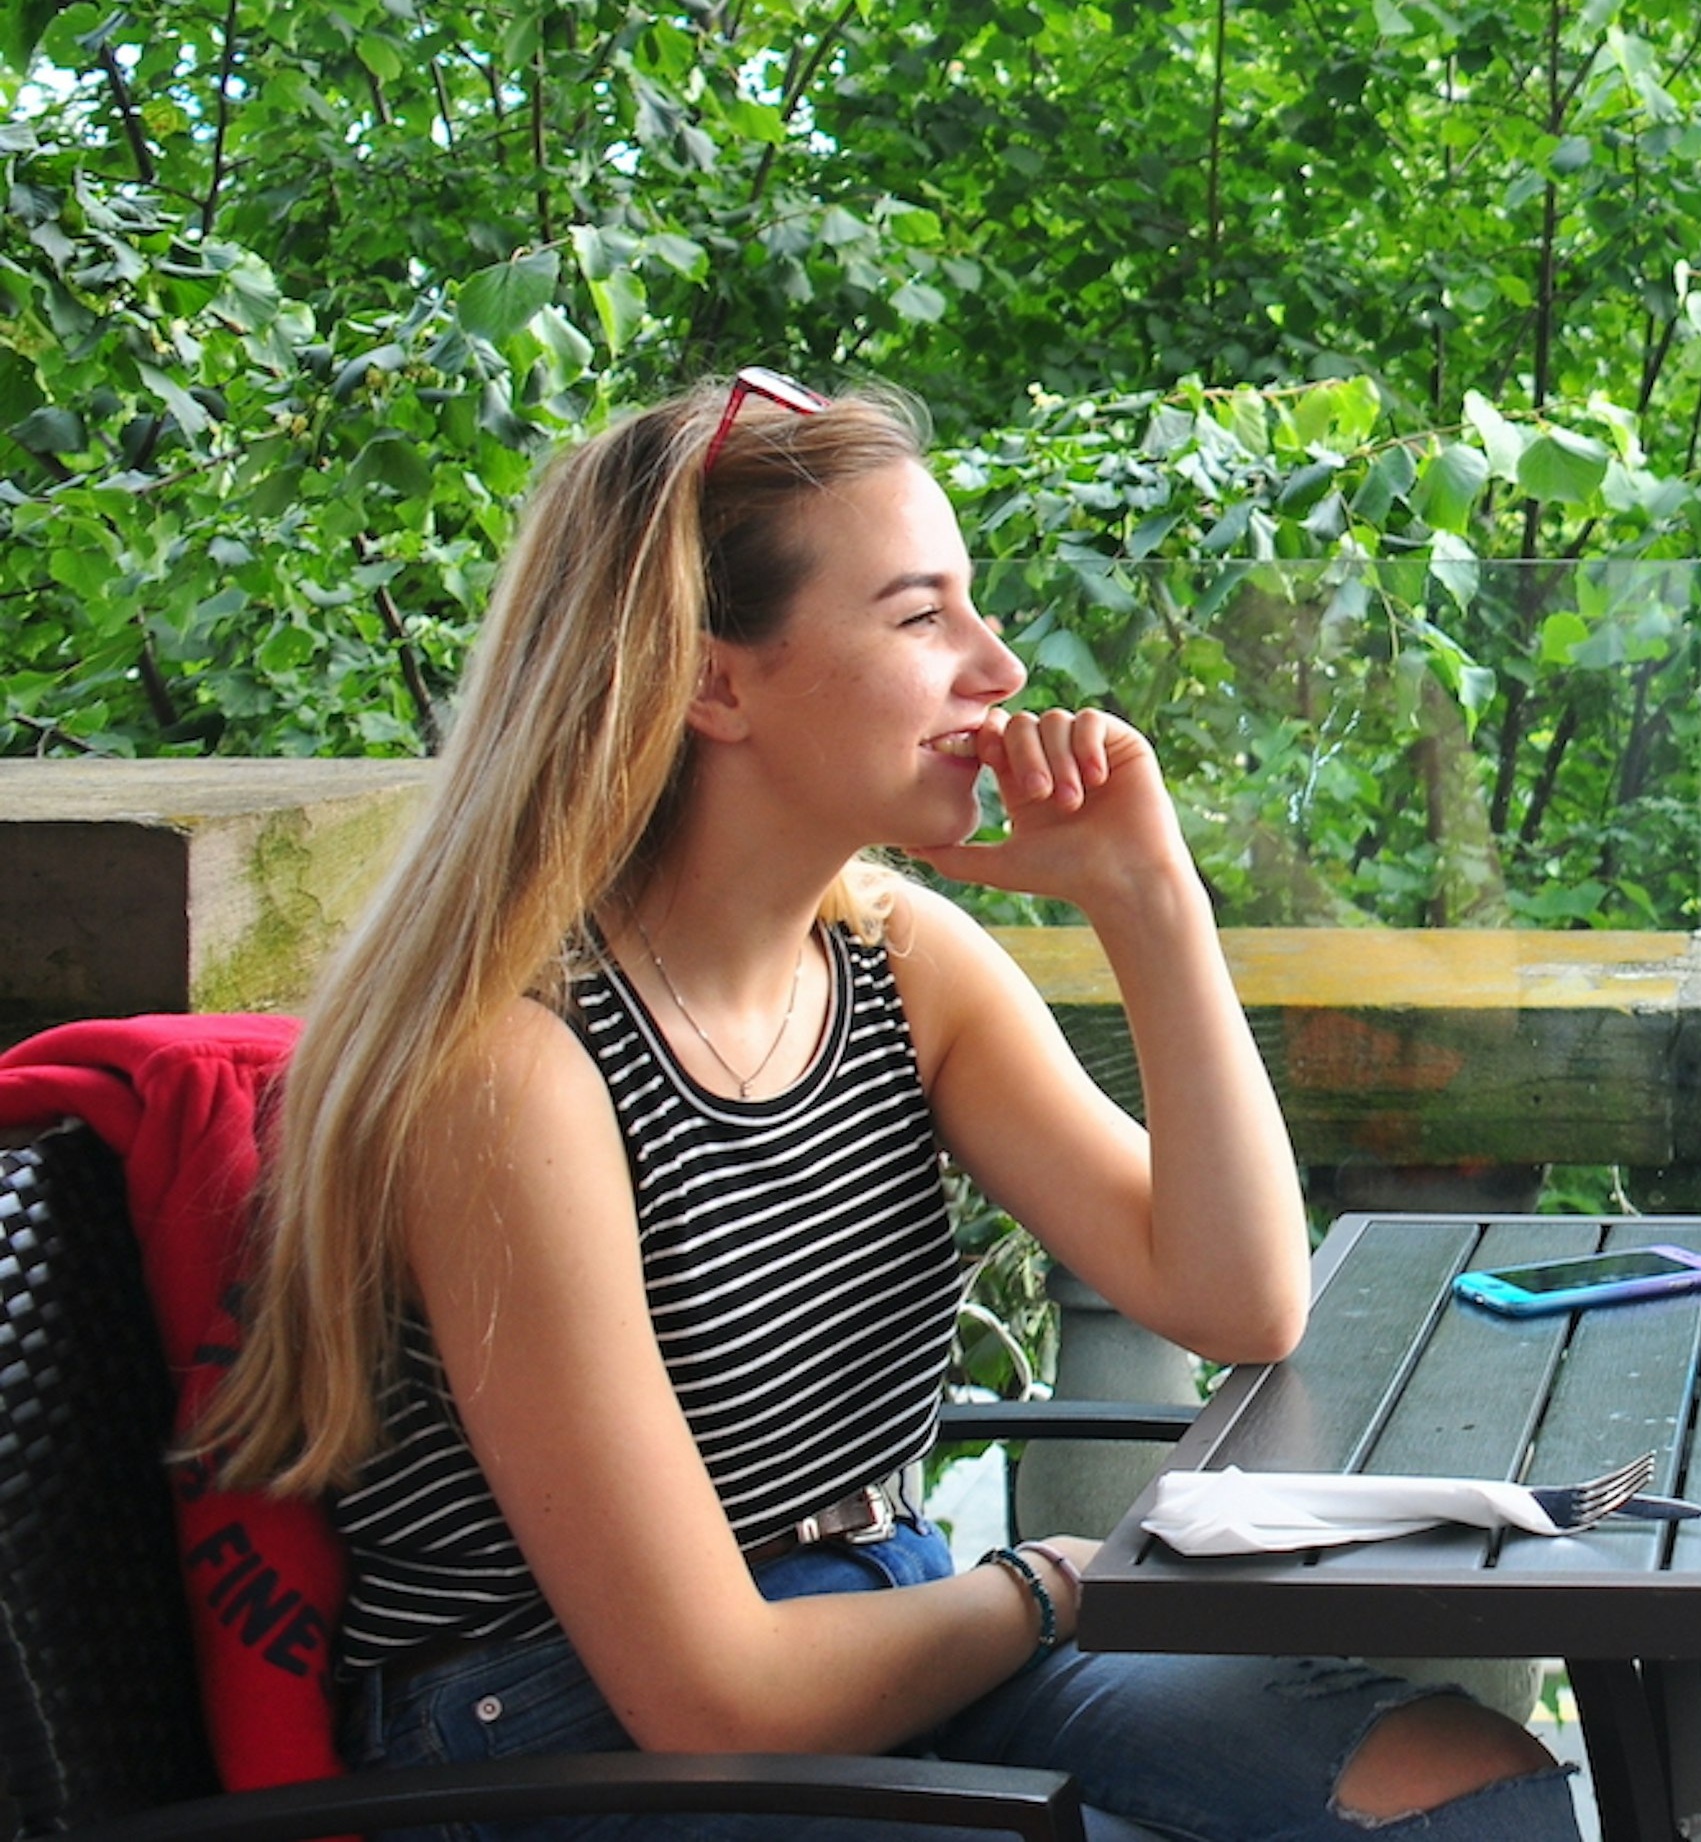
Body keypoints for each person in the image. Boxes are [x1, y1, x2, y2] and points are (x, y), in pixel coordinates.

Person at [202, 373, 1575, 1842]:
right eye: (922, 618)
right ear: (710, 682)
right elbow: (711, 1696)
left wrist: (1149, 894)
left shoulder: (896, 963)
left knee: (1467, 1785)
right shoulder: (514, 1068)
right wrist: (1050, 1582)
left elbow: (1242, 1298)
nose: (996, 665)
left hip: (890, 1619)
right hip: (568, 1730)